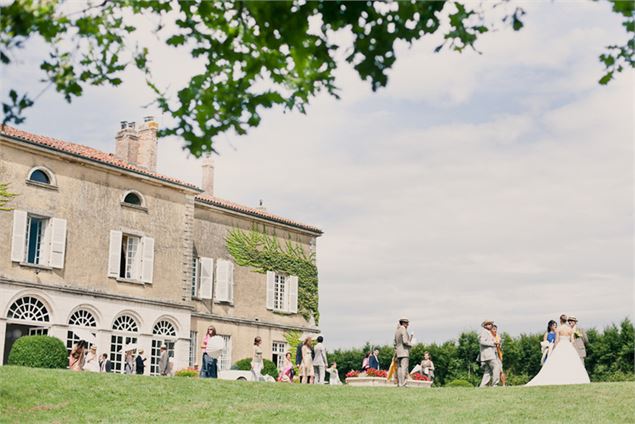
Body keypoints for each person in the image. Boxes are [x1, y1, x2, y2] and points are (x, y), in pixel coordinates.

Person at [526, 317, 590, 386]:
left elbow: (557, 340)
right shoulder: (570, 329)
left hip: (561, 345)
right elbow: (572, 340)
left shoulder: (558, 329)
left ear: (560, 320)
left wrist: (554, 348)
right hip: (568, 346)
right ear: (566, 321)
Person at [478, 320, 501, 387]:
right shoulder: (484, 332)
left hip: (488, 355)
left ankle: (482, 385)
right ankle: (495, 384)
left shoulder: (488, 332)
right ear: (485, 326)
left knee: (488, 371)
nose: (491, 325)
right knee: (496, 367)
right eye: (489, 324)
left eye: (491, 324)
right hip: (488, 354)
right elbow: (482, 342)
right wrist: (493, 343)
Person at [393, 317, 413, 387]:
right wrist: (411, 344)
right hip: (404, 351)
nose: (408, 325)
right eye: (407, 324)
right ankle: (403, 383)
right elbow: (405, 341)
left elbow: (395, 343)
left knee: (399, 368)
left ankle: (400, 383)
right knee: (404, 367)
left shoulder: (397, 331)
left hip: (398, 352)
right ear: (404, 323)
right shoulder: (403, 329)